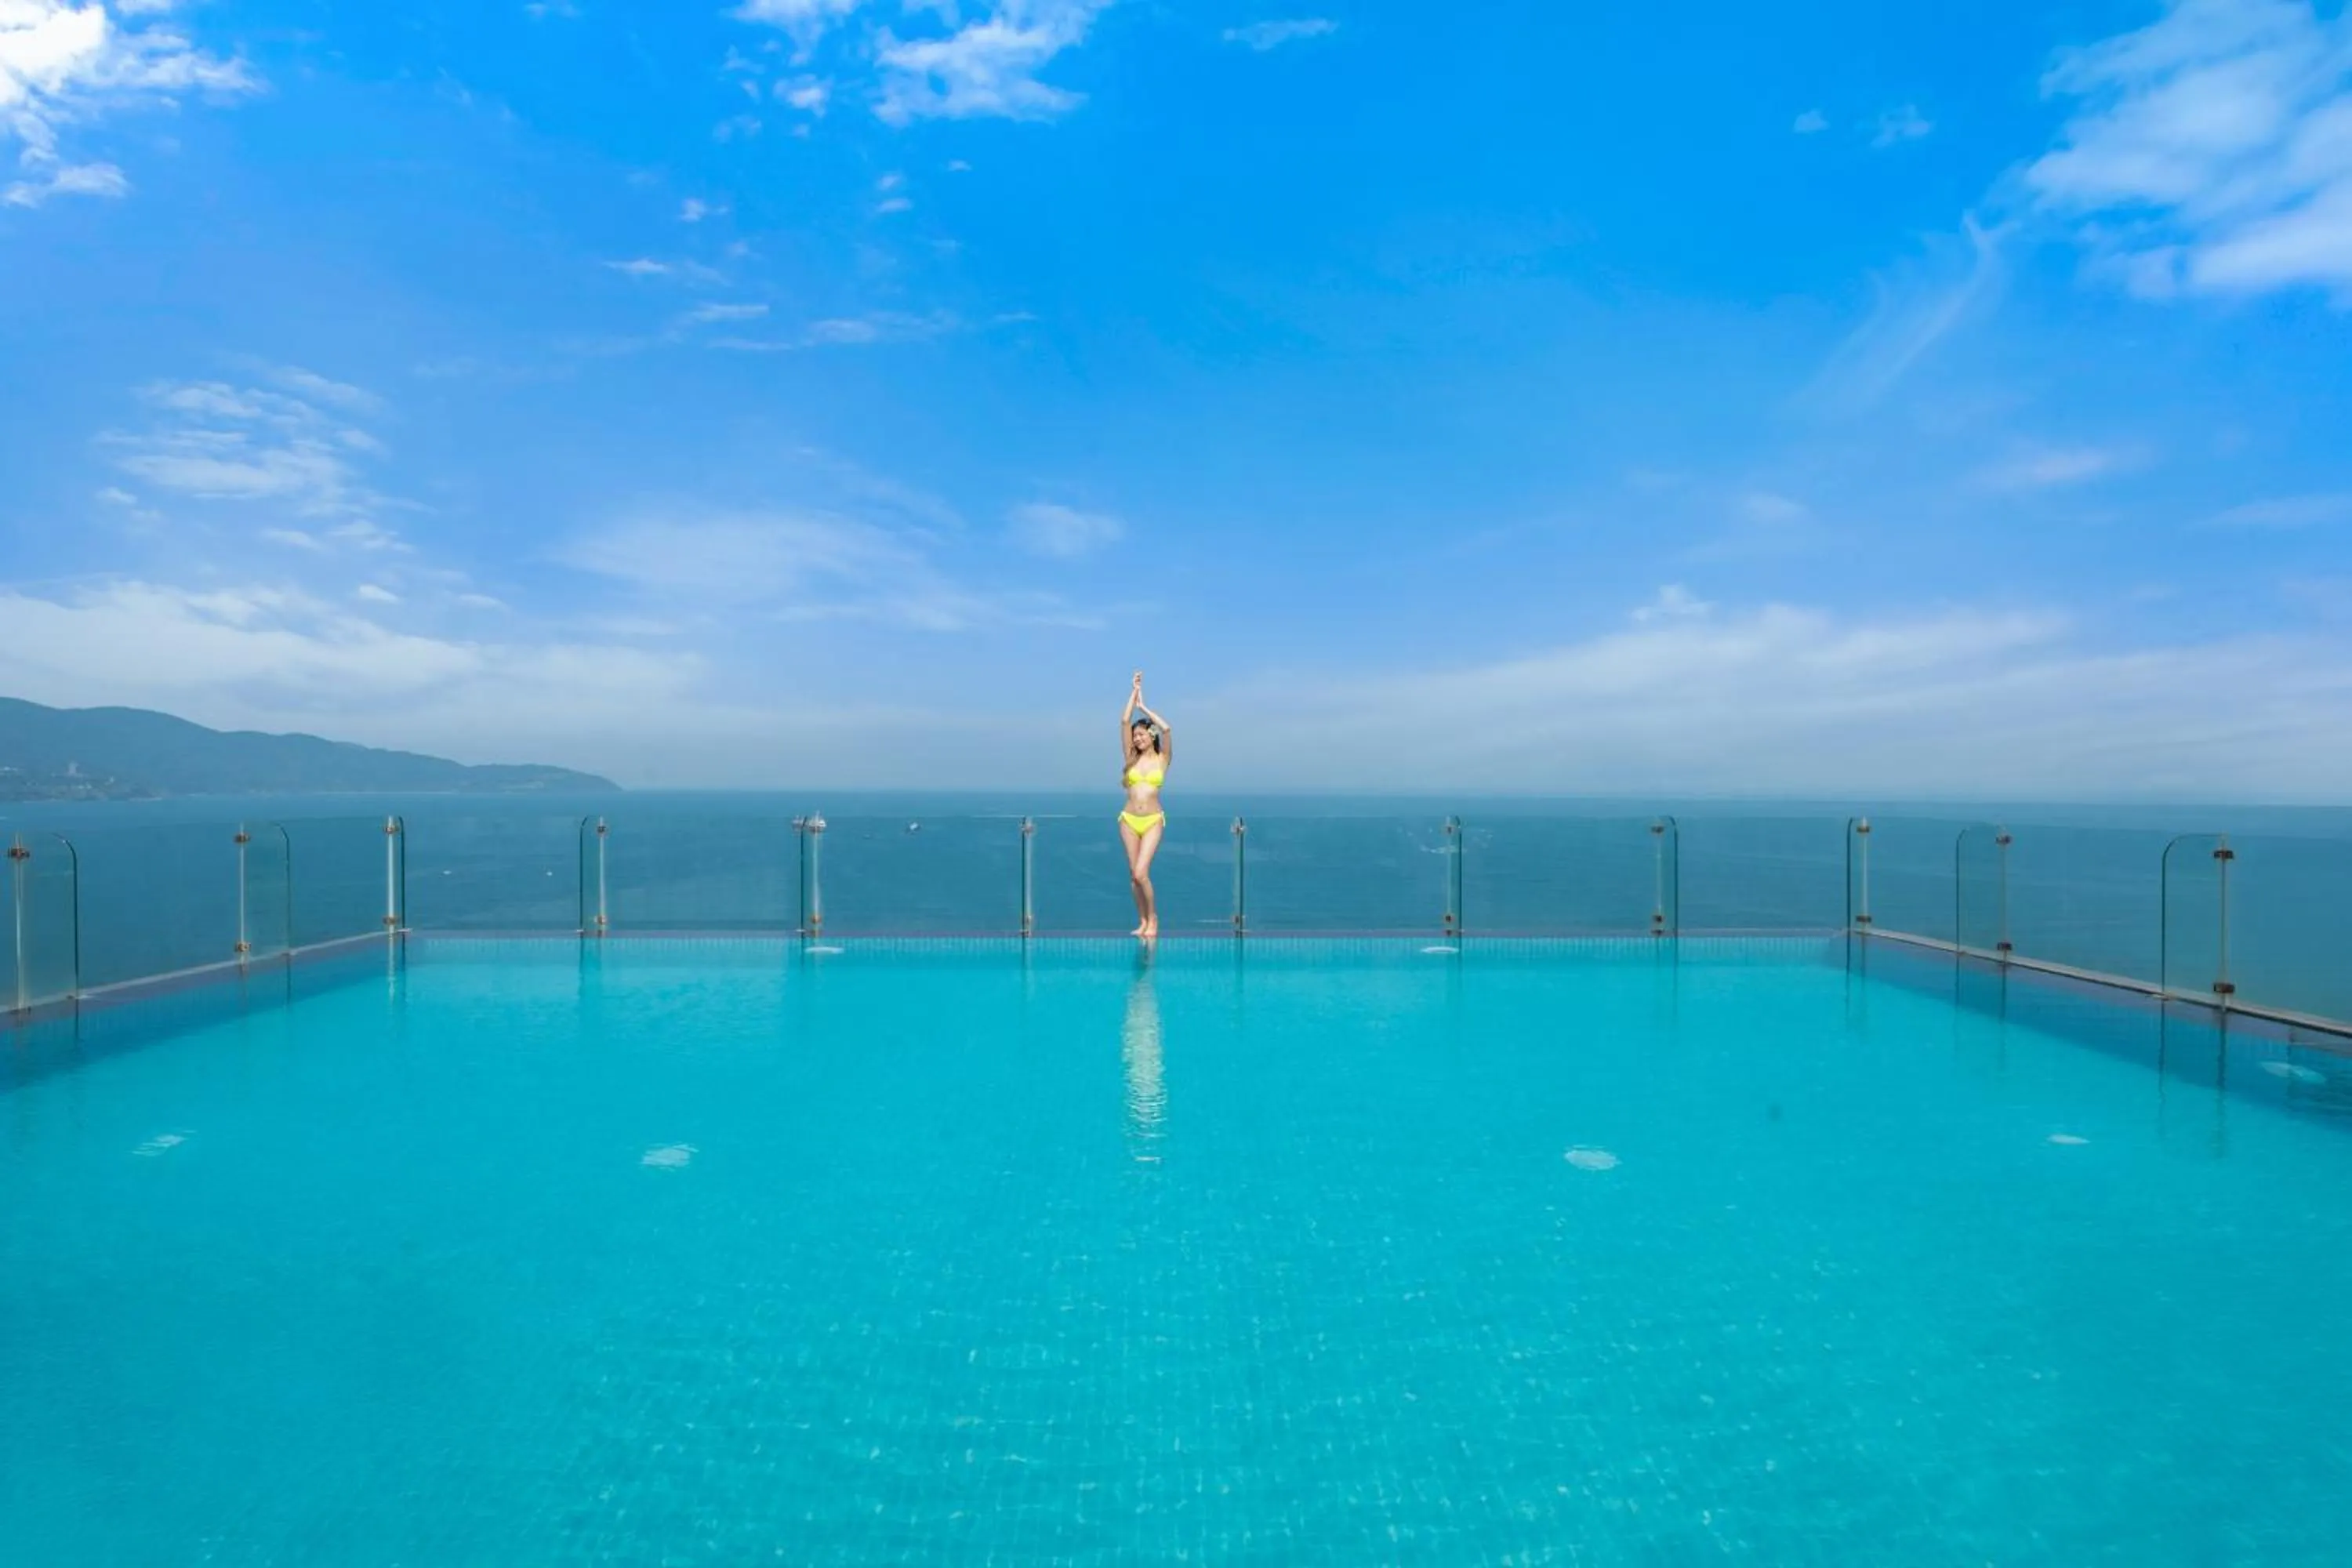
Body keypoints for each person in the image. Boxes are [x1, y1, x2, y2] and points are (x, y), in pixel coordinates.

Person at [1120, 671, 1172, 938]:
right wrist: (1134, 692)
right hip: (1128, 820)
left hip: (1153, 820)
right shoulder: (1131, 757)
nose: (1137, 739)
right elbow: (1124, 719)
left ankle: (1153, 919)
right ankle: (1141, 921)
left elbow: (1167, 728)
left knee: (1142, 873)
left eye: (1141, 735)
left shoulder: (1163, 758)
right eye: (1135, 736)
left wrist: (1145, 708)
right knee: (1133, 875)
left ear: (1150, 736)